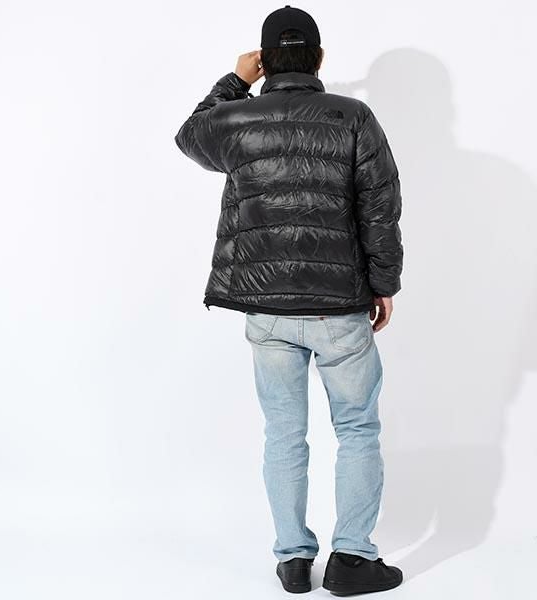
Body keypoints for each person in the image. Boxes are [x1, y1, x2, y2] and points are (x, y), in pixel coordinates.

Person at [174, 5, 404, 595]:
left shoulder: (238, 119)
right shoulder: (354, 117)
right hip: (339, 307)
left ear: (267, 60)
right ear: (319, 58)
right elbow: (380, 207)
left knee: (283, 434)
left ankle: (294, 560)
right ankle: (352, 560)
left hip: (268, 309)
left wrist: (236, 79)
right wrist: (383, 283)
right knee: (357, 429)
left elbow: (190, 135)